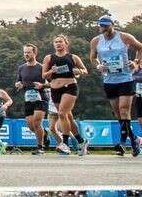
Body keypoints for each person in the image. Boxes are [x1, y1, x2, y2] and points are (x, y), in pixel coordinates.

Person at [89, 15, 142, 156]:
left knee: (124, 109)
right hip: (109, 80)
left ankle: (122, 143)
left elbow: (140, 48)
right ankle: (135, 139)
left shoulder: (125, 37)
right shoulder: (96, 41)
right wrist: (98, 65)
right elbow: (92, 58)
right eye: (101, 25)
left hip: (125, 78)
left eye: (106, 25)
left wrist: (136, 62)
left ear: (112, 25)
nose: (104, 28)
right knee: (118, 113)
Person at [42, 34, 89, 156]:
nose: (58, 44)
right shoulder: (49, 58)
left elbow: (85, 71)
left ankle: (65, 144)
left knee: (62, 114)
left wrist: (79, 71)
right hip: (55, 89)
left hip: (70, 87)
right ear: (53, 44)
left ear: (66, 43)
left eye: (60, 41)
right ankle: (81, 141)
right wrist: (52, 71)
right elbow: (44, 76)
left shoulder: (73, 57)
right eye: (56, 42)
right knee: (68, 117)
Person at [15, 43, 47, 155]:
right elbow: (19, 81)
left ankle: (40, 147)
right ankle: (44, 134)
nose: (26, 54)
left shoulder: (42, 67)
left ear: (35, 53)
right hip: (28, 98)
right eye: (25, 52)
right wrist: (18, 84)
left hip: (41, 98)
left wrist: (42, 85)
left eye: (28, 52)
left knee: (37, 122)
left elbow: (48, 82)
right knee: (31, 126)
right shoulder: (21, 68)